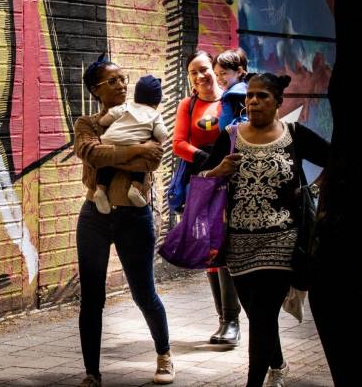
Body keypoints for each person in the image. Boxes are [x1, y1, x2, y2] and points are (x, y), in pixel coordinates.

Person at [201, 73, 329, 387]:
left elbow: (334, 159)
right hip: (239, 243)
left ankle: (254, 383)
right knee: (258, 315)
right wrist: (218, 171)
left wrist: (314, 190)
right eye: (250, 96)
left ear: (278, 103)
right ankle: (278, 364)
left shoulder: (295, 134)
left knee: (262, 317)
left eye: (262, 96)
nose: (254, 101)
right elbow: (202, 179)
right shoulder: (230, 135)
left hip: (281, 240)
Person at [74, 56, 174, 386]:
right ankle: (92, 373)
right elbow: (91, 153)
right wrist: (134, 149)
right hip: (94, 218)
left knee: (143, 293)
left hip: (135, 216)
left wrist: (115, 149)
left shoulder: (142, 114)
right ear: (95, 90)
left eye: (123, 79)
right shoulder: (86, 124)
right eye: (112, 81)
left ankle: (164, 354)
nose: (121, 85)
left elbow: (155, 156)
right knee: (92, 298)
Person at [172, 50, 242, 345]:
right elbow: (178, 144)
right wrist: (206, 159)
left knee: (225, 247)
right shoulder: (188, 105)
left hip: (231, 184)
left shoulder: (233, 99)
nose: (200, 76)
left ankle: (232, 321)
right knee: (210, 251)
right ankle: (223, 321)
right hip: (201, 183)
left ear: (214, 70)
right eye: (193, 73)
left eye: (204, 69)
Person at [93, 75, 169, 213]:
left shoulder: (126, 106)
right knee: (140, 160)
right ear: (156, 102)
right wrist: (158, 138)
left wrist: (102, 122)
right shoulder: (155, 114)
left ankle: (100, 189)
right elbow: (162, 134)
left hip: (110, 139)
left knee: (107, 164)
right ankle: (135, 188)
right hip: (134, 142)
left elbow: (107, 118)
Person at [213, 48, 248, 129]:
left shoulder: (238, 95)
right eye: (216, 74)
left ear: (239, 72)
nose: (219, 78)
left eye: (223, 73)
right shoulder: (232, 92)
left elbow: (244, 121)